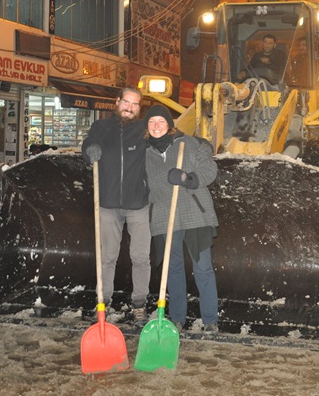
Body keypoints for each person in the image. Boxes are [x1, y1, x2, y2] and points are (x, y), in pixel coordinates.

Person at [143, 104, 220, 333]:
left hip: (195, 215)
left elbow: (209, 169)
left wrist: (187, 178)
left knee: (203, 268)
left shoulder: (189, 144)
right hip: (163, 217)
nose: (157, 126)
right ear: (147, 127)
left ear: (169, 125)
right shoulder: (144, 153)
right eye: (152, 122)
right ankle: (177, 318)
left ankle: (210, 320)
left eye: (161, 121)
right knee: (173, 269)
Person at [81, 87, 151, 327]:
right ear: (117, 101)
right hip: (108, 204)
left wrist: (198, 144)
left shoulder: (143, 130)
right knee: (107, 257)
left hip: (138, 204)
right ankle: (103, 303)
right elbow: (88, 143)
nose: (130, 108)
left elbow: (168, 136)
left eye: (135, 104)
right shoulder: (101, 127)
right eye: (126, 102)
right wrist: (89, 149)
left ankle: (139, 305)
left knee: (140, 257)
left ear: (139, 108)